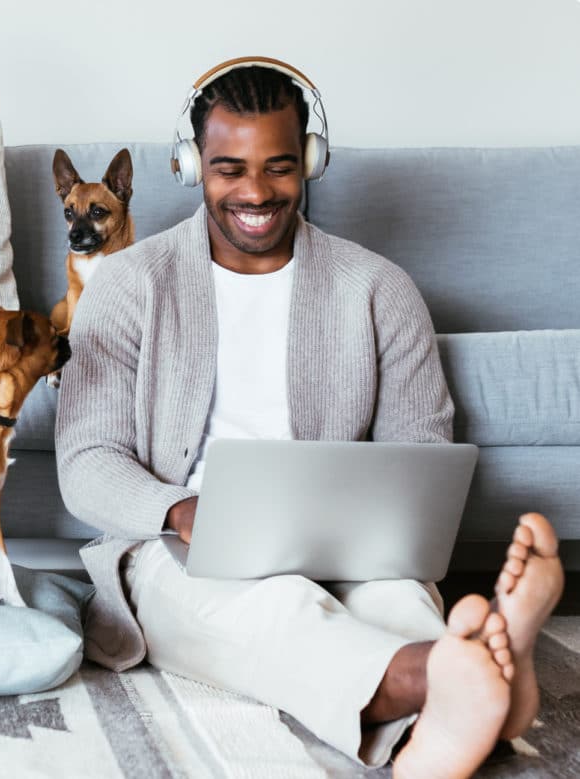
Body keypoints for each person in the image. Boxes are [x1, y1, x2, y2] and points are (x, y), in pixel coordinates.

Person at [55, 58, 564, 776]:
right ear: (189, 163)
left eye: (280, 166)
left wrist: (373, 526)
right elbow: (85, 459)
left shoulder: (379, 288)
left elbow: (418, 449)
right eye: (229, 168)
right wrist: (178, 507)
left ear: (313, 162)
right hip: (180, 547)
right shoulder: (131, 284)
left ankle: (456, 703)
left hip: (347, 543)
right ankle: (460, 679)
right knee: (279, 609)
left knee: (393, 592)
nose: (255, 191)